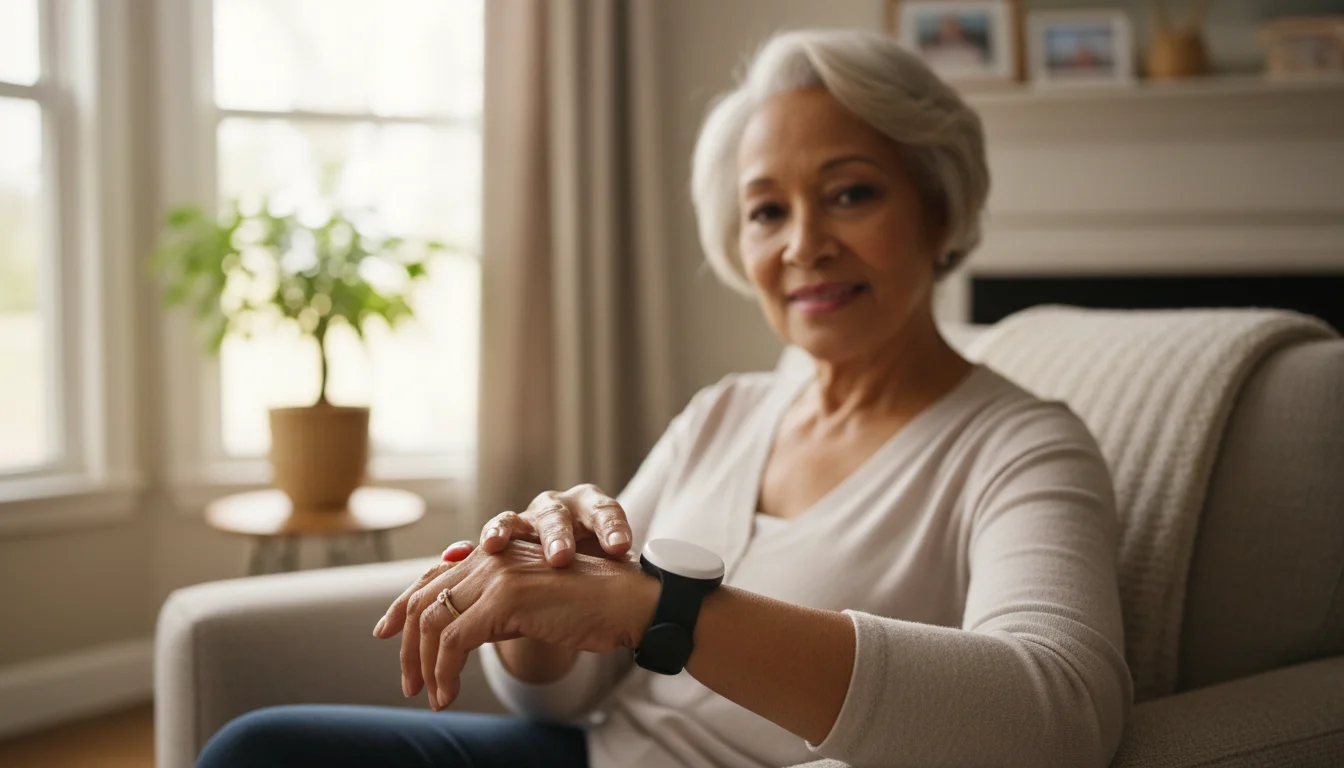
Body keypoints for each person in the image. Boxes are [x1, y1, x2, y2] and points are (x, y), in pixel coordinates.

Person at [197, 29, 1132, 768]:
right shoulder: (722, 414)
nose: (802, 244)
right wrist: (539, 599)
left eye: (849, 194)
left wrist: (656, 612)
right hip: (595, 755)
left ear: (938, 207)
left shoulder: (1024, 448)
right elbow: (567, 696)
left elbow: (1059, 715)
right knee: (259, 750)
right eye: (767, 210)